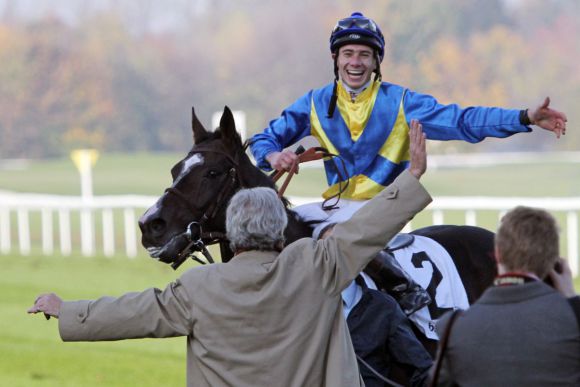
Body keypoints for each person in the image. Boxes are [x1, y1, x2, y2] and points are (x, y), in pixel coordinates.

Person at [28, 118, 432, 386]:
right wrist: (411, 176)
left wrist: (66, 309)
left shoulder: (196, 288)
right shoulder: (317, 265)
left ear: (231, 235)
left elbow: (131, 312)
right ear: (278, 230)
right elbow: (367, 227)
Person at [249, 11, 569, 315]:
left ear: (376, 61)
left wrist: (523, 117)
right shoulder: (314, 103)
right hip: (336, 207)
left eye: (364, 54)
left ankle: (402, 288)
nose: (355, 62)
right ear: (336, 58)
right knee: (283, 226)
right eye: (348, 53)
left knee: (334, 236)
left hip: (385, 208)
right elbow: (263, 140)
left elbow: (463, 121)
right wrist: (275, 156)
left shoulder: (401, 102)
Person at [430, 206, 580, 386]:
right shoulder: (573, 317)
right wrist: (572, 299)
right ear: (553, 259)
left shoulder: (452, 327)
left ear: (497, 254)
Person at [319, 224, 433, 387]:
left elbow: (420, 368)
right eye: (328, 249)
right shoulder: (300, 307)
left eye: (344, 248)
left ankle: (408, 290)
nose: (337, 256)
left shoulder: (384, 308)